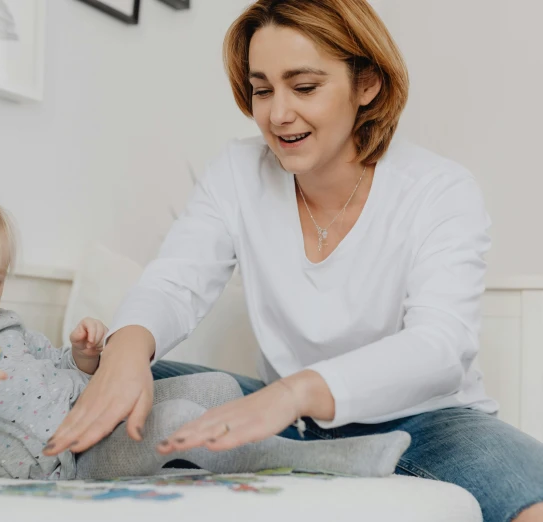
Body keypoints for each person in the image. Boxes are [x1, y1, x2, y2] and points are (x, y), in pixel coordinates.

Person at [43, 0, 543, 519]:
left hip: (422, 421)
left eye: (304, 87)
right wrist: (126, 352)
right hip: (288, 419)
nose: (278, 114)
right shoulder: (238, 172)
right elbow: (174, 282)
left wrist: (294, 392)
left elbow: (440, 347)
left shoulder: (439, 190)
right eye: (262, 90)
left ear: (366, 83)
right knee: (93, 376)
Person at [0, 174, 409, 481]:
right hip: (71, 458)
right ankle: (321, 462)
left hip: (95, 409)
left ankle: (290, 439)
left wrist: (81, 358)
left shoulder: (3, 326)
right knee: (177, 419)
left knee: (218, 388)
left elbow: (51, 368)